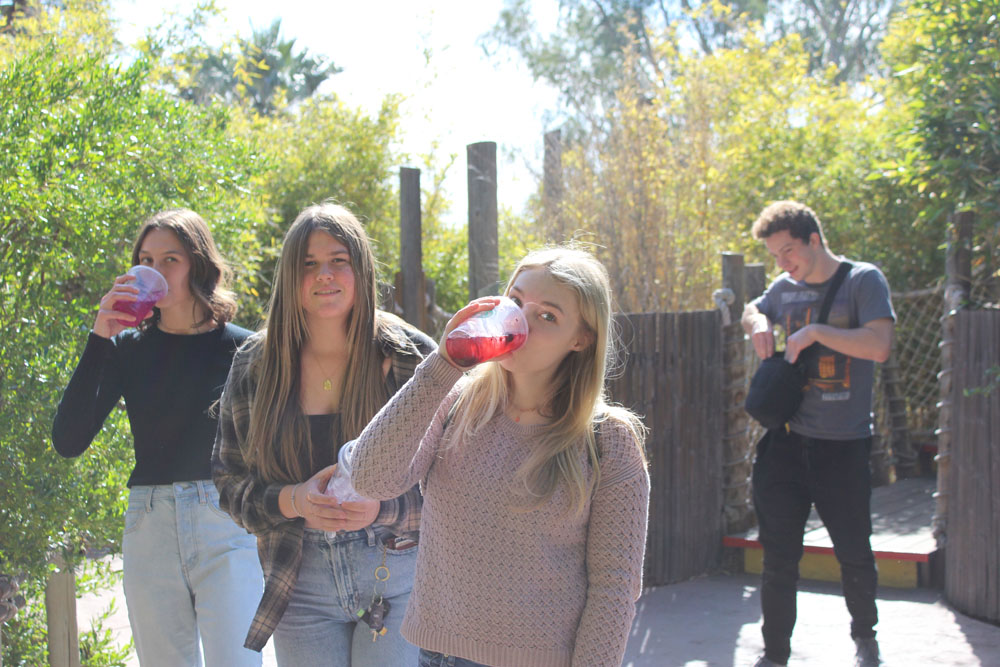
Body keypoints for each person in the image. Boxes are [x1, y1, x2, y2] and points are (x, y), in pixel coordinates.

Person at [351, 246, 650, 667]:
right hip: (437, 655)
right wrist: (443, 363)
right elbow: (368, 477)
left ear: (581, 339)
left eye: (547, 316)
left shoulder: (608, 440)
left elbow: (614, 587)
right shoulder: (454, 401)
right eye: (516, 301)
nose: (520, 321)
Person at [212, 202, 435, 665]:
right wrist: (292, 500)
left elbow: (455, 483)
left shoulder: (414, 358)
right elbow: (228, 484)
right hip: (299, 582)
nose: (324, 275)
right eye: (309, 264)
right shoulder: (255, 364)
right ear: (290, 278)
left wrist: (383, 506)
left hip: (396, 574)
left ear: (362, 268)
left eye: (338, 260)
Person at [51, 209, 262, 666]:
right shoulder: (127, 348)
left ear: (199, 266)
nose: (156, 270)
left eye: (171, 259)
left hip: (224, 521)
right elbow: (68, 440)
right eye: (146, 258)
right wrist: (100, 335)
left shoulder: (246, 349)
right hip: (149, 524)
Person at [741, 201, 895, 667]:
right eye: (775, 256)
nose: (783, 263)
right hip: (785, 446)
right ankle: (775, 656)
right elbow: (751, 308)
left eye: (788, 251)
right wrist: (759, 323)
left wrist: (816, 333)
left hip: (843, 448)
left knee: (853, 553)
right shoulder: (782, 289)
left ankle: (865, 637)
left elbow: (880, 345)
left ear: (814, 239)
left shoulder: (863, 280)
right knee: (778, 559)